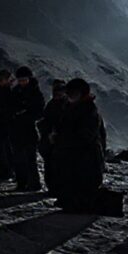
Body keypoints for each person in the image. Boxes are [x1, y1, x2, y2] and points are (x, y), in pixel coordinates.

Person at [51, 78, 105, 213]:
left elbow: (85, 136)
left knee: (81, 183)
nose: (68, 96)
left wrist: (61, 139)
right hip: (72, 154)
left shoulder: (89, 111)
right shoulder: (72, 107)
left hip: (84, 156)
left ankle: (78, 205)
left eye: (71, 93)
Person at [10, 66, 45, 191]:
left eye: (24, 79)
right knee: (18, 159)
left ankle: (34, 184)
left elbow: (40, 112)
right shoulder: (15, 91)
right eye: (20, 80)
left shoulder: (35, 93)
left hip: (29, 130)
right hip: (16, 130)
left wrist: (26, 115)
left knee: (30, 159)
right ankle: (21, 183)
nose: (22, 82)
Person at [36, 79, 68, 194]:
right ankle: (52, 188)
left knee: (58, 167)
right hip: (49, 141)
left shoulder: (66, 106)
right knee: (50, 166)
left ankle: (57, 188)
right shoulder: (52, 104)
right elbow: (45, 120)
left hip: (60, 141)